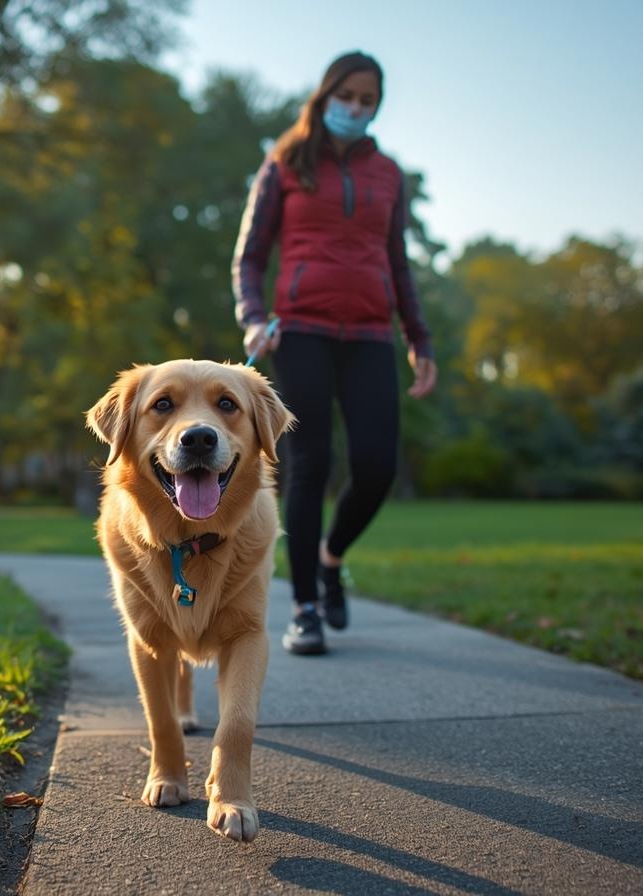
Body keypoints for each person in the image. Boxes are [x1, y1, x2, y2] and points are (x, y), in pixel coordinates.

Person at [231, 51, 436, 655]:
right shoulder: (285, 162)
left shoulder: (388, 174)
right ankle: (304, 608)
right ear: (324, 96)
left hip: (371, 334)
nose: (356, 107)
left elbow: (398, 262)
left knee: (376, 467)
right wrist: (253, 318)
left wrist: (419, 338)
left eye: (368, 100)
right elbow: (249, 257)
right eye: (346, 95)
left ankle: (330, 559)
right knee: (307, 465)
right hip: (301, 333)